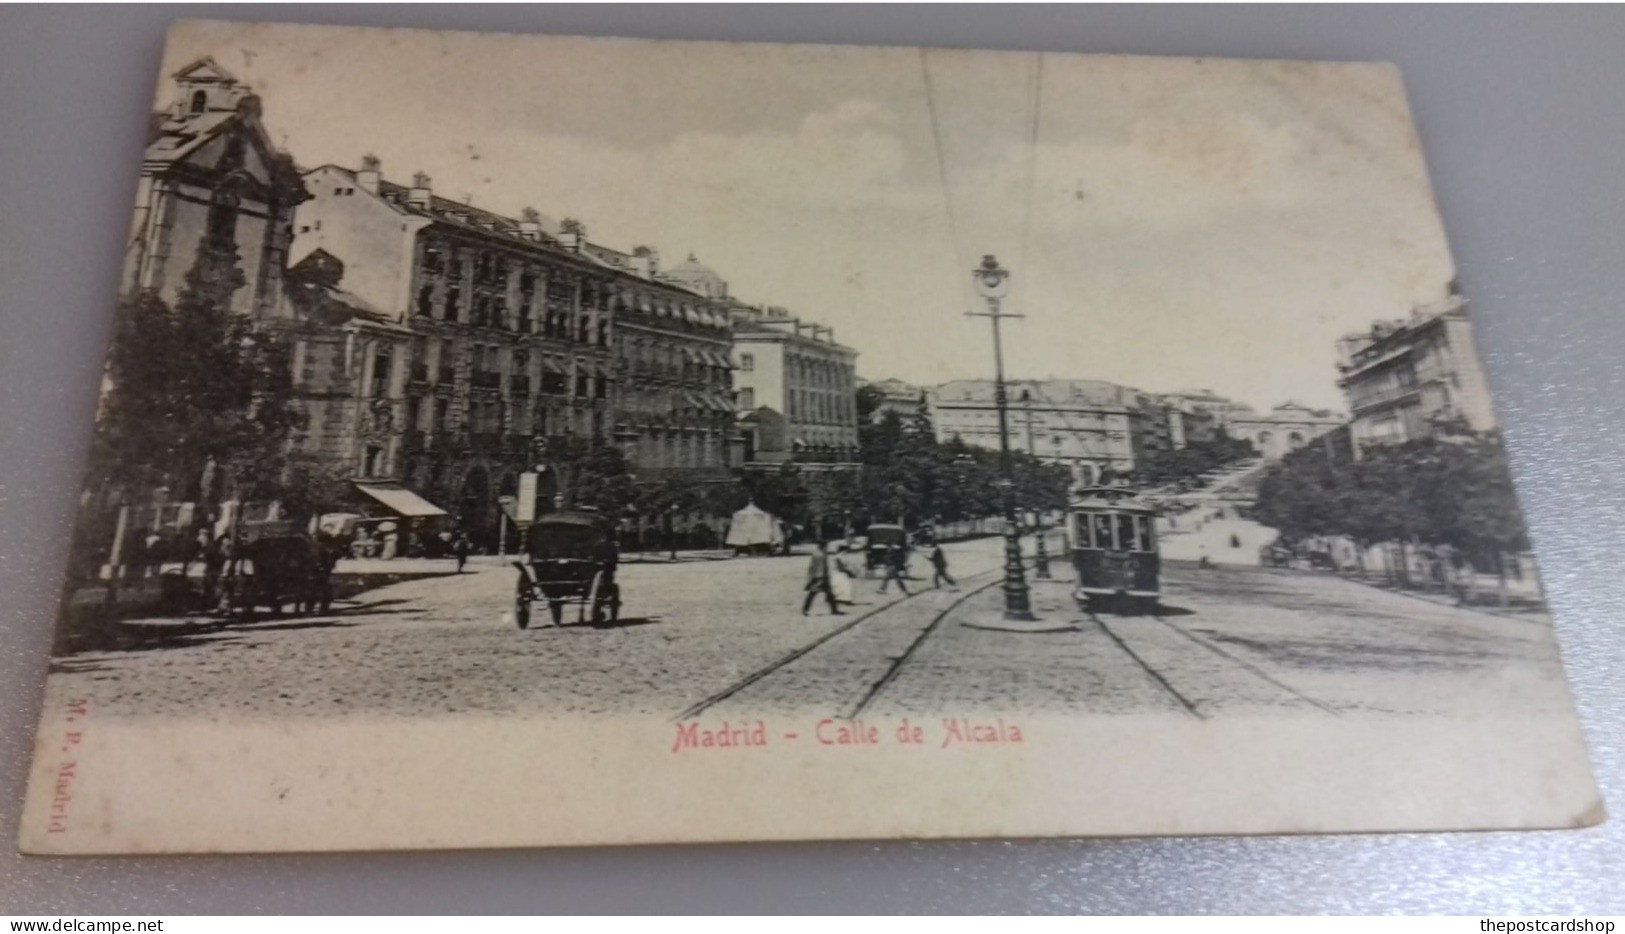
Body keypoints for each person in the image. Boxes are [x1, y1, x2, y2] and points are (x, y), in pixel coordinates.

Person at [802, 541, 843, 616]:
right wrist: (826, 576)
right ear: (823, 546)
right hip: (822, 577)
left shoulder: (815, 553)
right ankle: (834, 610)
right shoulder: (822, 554)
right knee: (814, 593)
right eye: (826, 546)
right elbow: (823, 567)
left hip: (817, 577)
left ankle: (805, 609)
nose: (827, 548)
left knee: (822, 594)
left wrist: (810, 577)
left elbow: (811, 567)